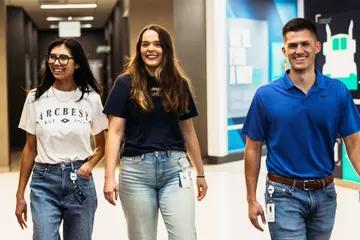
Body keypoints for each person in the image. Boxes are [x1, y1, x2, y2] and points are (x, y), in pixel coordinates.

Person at [242, 18, 360, 240]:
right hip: (282, 193)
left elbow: (353, 143)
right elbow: (252, 149)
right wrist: (251, 199)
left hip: (325, 194)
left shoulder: (337, 92)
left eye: (305, 44)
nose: (299, 51)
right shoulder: (266, 96)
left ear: (317, 47)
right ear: (284, 50)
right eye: (293, 45)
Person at [103, 24, 208, 240]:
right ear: (139, 49)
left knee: (185, 235)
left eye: (157, 44)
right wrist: (109, 177)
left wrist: (200, 172)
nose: (151, 49)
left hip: (175, 170)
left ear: (166, 50)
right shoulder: (125, 84)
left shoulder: (179, 84)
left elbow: (188, 132)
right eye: (145, 44)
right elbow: (114, 132)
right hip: (136, 173)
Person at [15, 38, 108, 240]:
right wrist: (20, 194)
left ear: (77, 64)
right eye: (52, 57)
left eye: (64, 58)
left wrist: (89, 166)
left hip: (80, 181)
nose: (56, 63)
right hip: (44, 182)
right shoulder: (35, 98)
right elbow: (30, 149)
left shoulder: (91, 98)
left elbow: (102, 145)